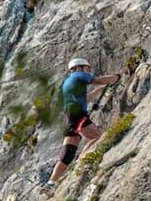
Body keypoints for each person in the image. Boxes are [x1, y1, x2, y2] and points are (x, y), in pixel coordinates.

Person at [41, 57, 122, 192]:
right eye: (87, 69)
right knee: (98, 137)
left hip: (69, 117)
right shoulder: (79, 75)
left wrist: (100, 90)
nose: (88, 71)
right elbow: (99, 80)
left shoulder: (68, 82)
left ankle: (50, 183)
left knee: (67, 154)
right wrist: (118, 76)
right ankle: (81, 162)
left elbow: (85, 99)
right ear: (79, 68)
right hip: (77, 115)